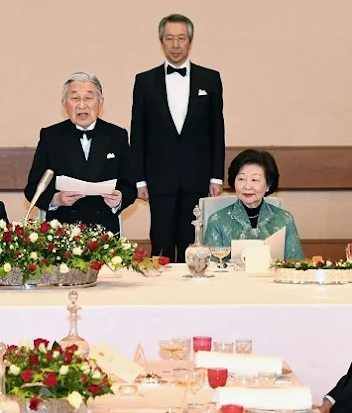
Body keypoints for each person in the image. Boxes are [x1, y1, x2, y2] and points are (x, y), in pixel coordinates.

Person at [130, 14, 225, 262]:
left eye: (181, 38)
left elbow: (217, 130)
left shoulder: (210, 79)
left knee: (192, 243)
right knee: (160, 243)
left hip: (198, 178)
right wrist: (139, 180)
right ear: (161, 41)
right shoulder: (145, 81)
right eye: (169, 38)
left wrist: (216, 176)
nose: (175, 45)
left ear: (190, 41)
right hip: (159, 179)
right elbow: (138, 133)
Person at [24, 72, 137, 234]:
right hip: (61, 230)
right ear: (64, 104)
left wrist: (120, 199)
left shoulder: (116, 135)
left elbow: (129, 186)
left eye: (88, 98)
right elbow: (33, 188)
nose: (81, 105)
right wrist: (56, 199)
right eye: (75, 98)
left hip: (104, 229)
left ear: (100, 103)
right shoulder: (51, 136)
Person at [204, 149, 304, 260]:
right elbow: (211, 268)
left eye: (255, 180)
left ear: (268, 185)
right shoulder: (217, 221)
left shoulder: (285, 219)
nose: (247, 186)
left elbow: (295, 264)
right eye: (241, 179)